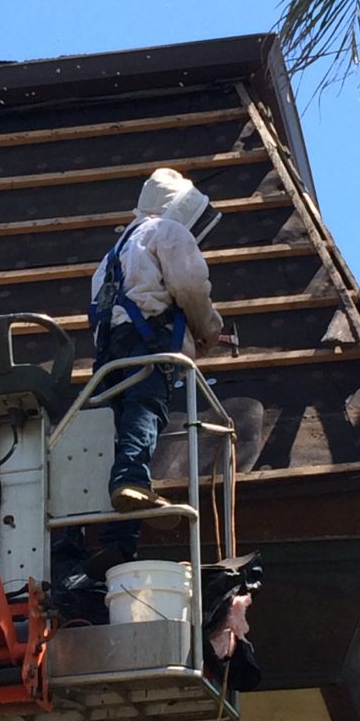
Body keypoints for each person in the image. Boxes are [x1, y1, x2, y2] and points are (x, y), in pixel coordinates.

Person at [86, 167, 223, 573]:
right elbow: (191, 286)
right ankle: (131, 480)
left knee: (117, 427)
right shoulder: (169, 231)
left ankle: (117, 537)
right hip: (148, 342)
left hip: (109, 351)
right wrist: (208, 328)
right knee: (146, 410)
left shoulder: (111, 255)